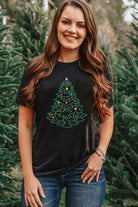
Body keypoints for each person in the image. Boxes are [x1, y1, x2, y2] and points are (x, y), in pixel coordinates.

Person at [16, 0, 114, 206]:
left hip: (85, 169)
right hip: (42, 170)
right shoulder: (36, 68)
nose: (72, 30)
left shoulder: (97, 67)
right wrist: (28, 176)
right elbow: (25, 125)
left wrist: (100, 154)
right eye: (66, 22)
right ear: (56, 25)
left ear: (88, 31)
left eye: (80, 25)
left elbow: (106, 117)